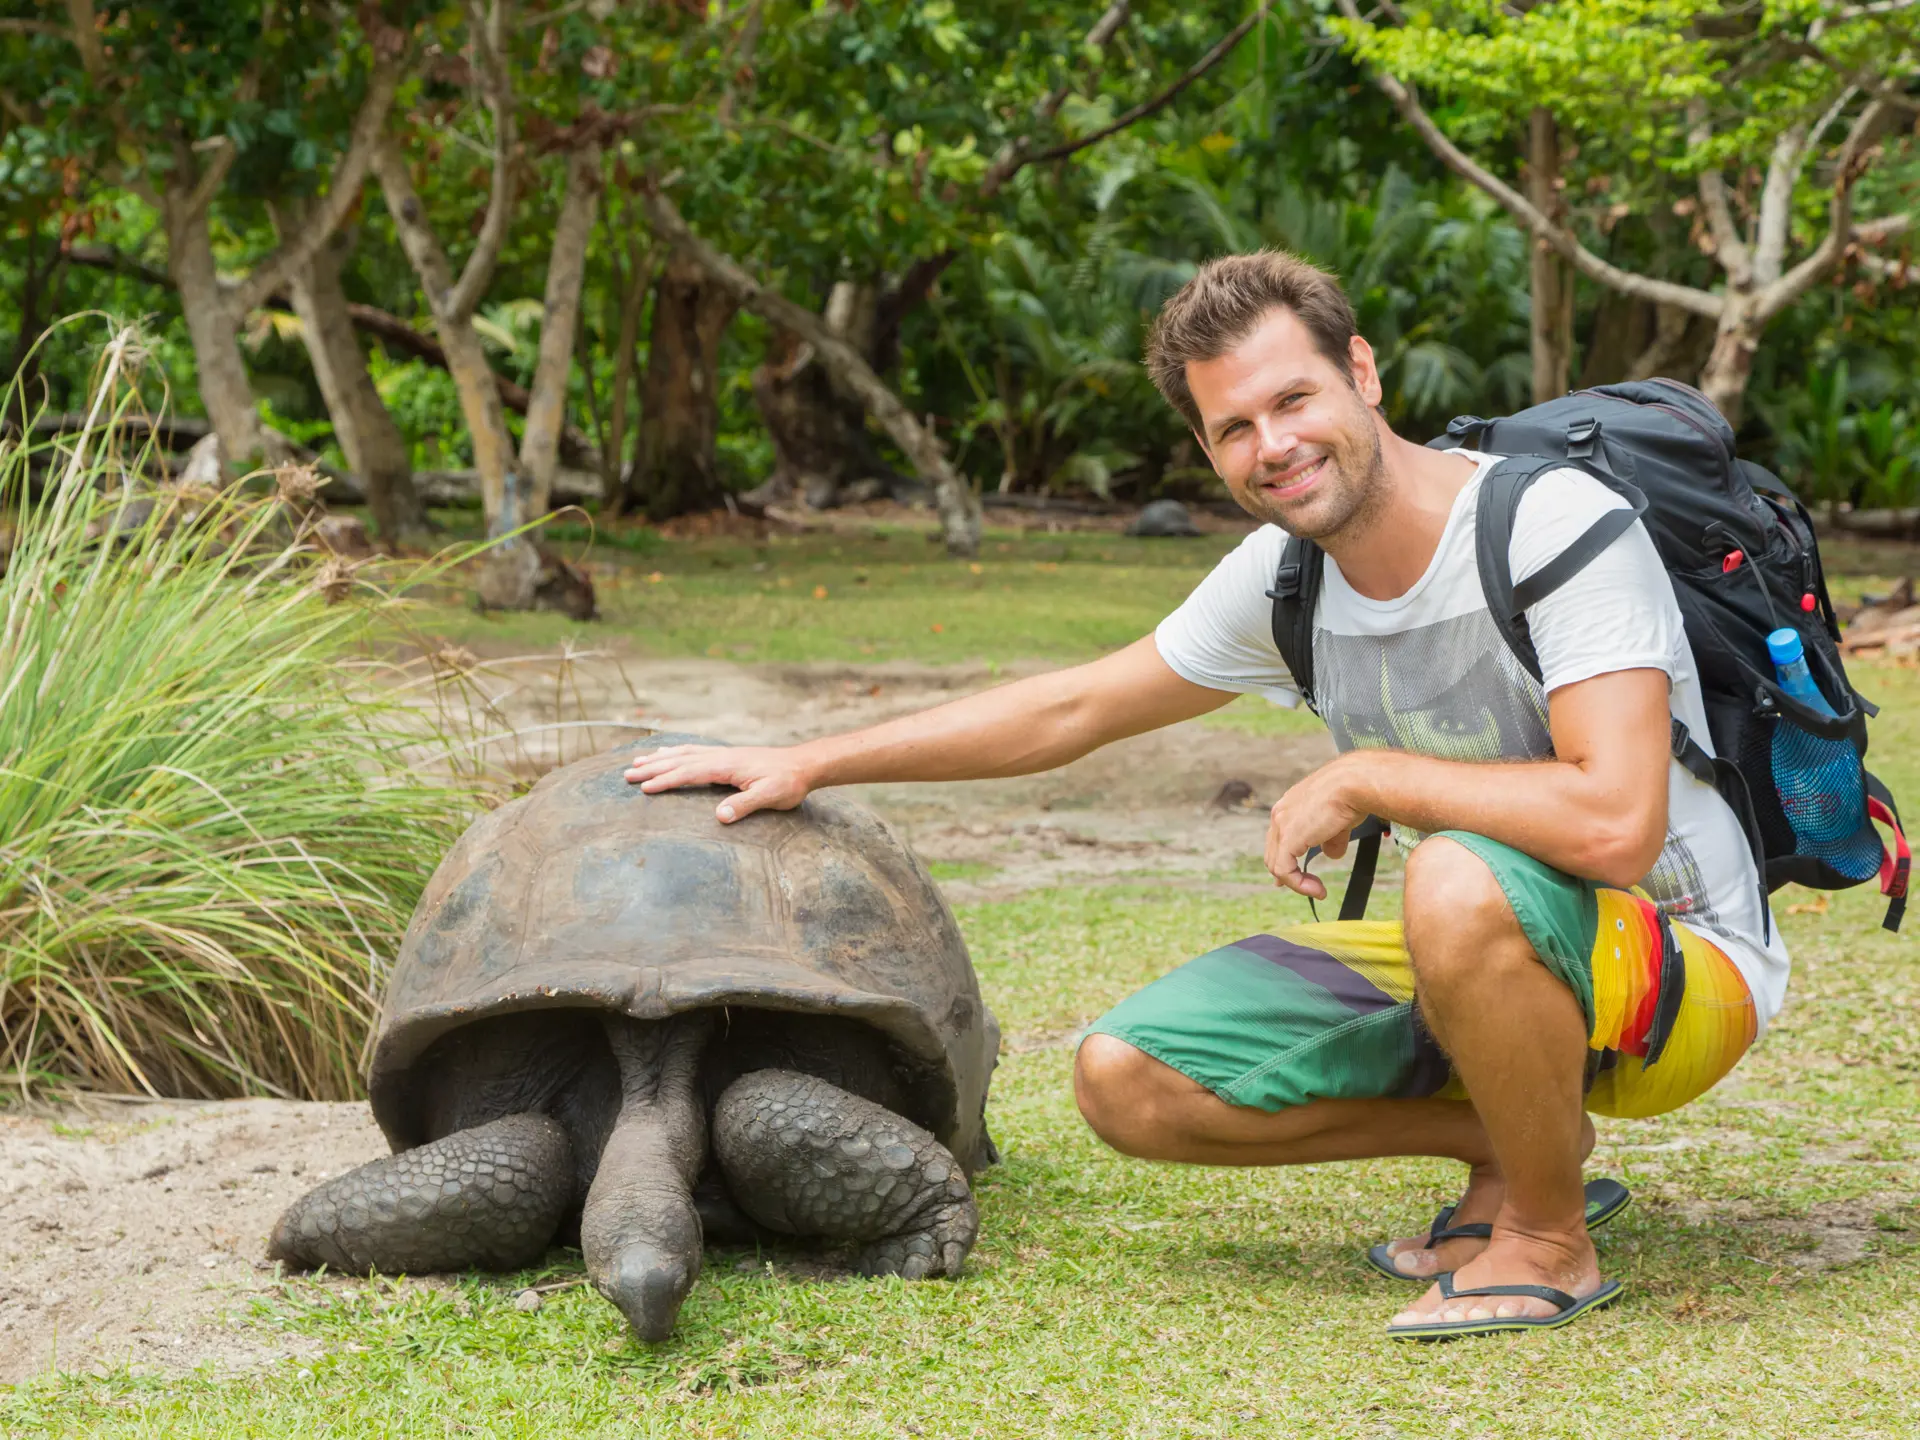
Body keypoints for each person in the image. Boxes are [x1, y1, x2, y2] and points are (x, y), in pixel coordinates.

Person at [624, 251, 1786, 1339]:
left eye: (1294, 401)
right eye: (1234, 428)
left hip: (1681, 964)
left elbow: (1615, 824)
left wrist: (1368, 772)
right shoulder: (1287, 578)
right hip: (1483, 940)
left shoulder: (1548, 525)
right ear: (1207, 447)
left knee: (1454, 873)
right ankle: (1520, 1136)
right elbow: (1071, 710)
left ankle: (1545, 1233)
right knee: (1127, 1078)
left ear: (1362, 373)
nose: (1273, 445)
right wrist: (813, 760)